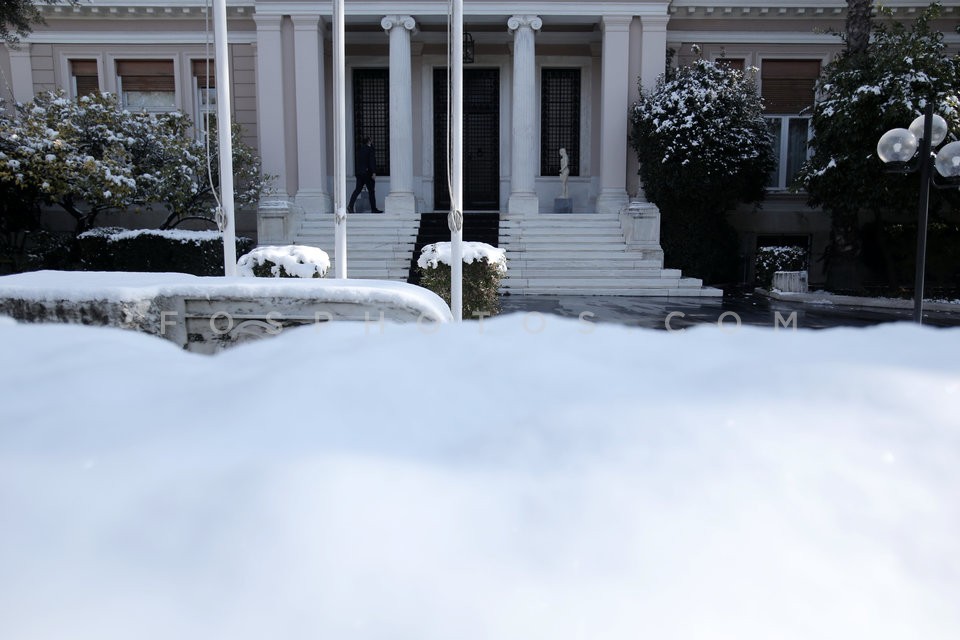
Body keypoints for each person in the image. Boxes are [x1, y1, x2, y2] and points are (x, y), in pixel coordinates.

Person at [347, 135, 382, 213]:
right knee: (371, 191)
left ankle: (350, 206)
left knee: (357, 190)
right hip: (367, 173)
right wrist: (373, 172)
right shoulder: (370, 149)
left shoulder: (360, 150)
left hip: (360, 173)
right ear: (369, 141)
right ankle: (373, 209)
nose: (372, 142)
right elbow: (371, 161)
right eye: (371, 140)